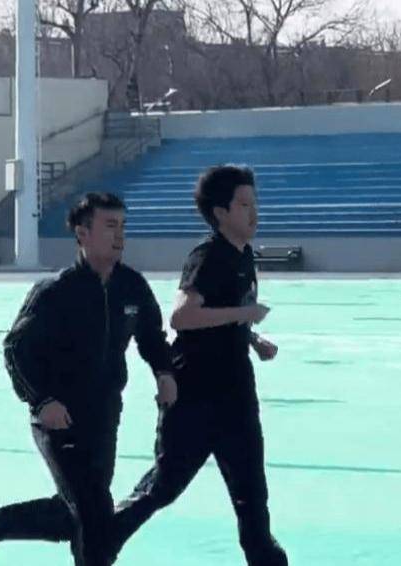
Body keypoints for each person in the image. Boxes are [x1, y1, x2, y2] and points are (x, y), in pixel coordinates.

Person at [0, 192, 177, 566]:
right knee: (93, 511)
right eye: (110, 226)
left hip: (104, 416)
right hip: (59, 418)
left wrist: (164, 373)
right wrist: (42, 400)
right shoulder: (55, 292)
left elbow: (152, 338)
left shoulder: (132, 286)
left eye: (122, 226)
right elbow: (16, 349)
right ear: (82, 233)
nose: (119, 235)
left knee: (76, 513)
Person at [110, 165, 288, 565]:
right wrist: (244, 314)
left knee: (252, 498)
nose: (254, 212)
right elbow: (182, 317)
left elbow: (224, 314)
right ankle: (98, 538)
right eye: (244, 205)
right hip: (195, 395)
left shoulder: (243, 255)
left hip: (236, 393)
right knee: (163, 487)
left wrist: (251, 338)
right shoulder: (208, 257)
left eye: (255, 203)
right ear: (220, 212)